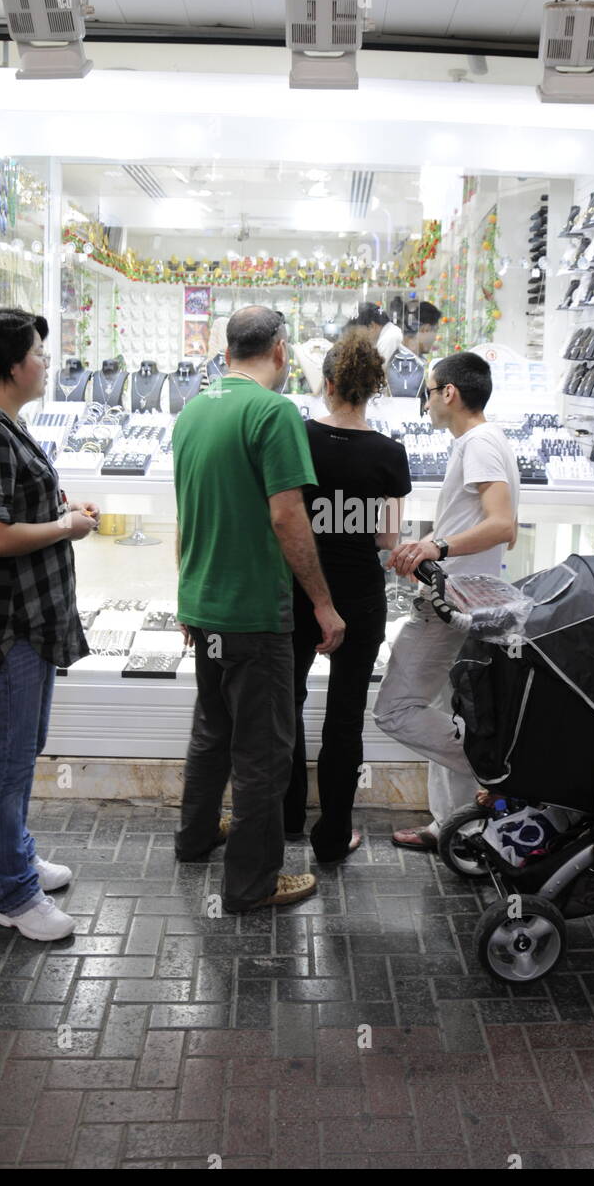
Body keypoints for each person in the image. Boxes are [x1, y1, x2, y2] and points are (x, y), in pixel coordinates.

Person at [172, 305, 345, 913]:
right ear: (279, 350)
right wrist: (322, 604)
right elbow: (286, 515)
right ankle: (251, 883)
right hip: (255, 613)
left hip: (205, 603)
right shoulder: (273, 413)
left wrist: (187, 593)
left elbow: (188, 512)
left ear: (226, 353)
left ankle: (194, 836)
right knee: (264, 754)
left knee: (211, 730)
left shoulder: (192, 411)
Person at [0, 308, 99, 942]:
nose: (46, 362)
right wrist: (66, 526)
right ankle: (14, 893)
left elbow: (14, 510)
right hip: (9, 625)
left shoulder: (7, 426)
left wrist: (61, 507)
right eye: (39, 351)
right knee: (9, 763)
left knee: (19, 753)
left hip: (31, 621)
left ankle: (8, 858)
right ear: (12, 365)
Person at [374, 351, 520, 850]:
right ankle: (456, 825)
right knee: (449, 709)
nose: (426, 400)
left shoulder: (477, 443)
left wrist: (438, 547)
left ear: (449, 394)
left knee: (395, 709)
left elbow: (503, 524)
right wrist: (433, 542)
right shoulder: (489, 439)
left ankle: (501, 771)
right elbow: (496, 532)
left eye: (429, 390)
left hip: (451, 604)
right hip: (462, 598)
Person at [284, 333, 411, 860]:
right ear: (373, 389)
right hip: (360, 597)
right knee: (344, 718)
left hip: (297, 591)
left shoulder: (297, 439)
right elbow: (388, 539)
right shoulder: (389, 454)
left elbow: (284, 518)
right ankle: (334, 835)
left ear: (328, 384)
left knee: (287, 703)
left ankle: (288, 817)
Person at [343, 302, 402, 368]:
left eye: (358, 333)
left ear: (372, 326)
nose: (359, 338)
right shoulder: (389, 333)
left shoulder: (389, 339)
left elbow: (380, 373)